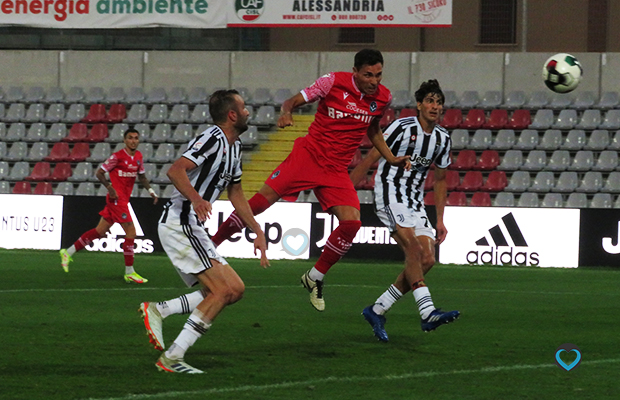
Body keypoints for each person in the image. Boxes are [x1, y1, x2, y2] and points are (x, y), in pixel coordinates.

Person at [210, 49, 411, 312]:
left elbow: (373, 129)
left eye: (379, 75)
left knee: (352, 223)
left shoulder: (383, 97)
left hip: (336, 170)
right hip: (308, 157)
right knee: (259, 203)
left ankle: (314, 277)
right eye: (368, 75)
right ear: (355, 72)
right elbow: (292, 101)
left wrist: (391, 157)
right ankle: (210, 245)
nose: (374, 81)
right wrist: (287, 112)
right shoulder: (332, 82)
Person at [140, 89, 269, 374]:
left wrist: (257, 230)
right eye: (244, 108)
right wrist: (197, 199)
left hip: (191, 224)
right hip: (180, 221)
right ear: (232, 115)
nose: (248, 112)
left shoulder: (234, 147)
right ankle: (172, 357)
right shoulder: (212, 138)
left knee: (235, 290)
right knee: (221, 290)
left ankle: (160, 310)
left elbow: (236, 192)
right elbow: (175, 171)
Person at [350, 79, 460, 342]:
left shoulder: (443, 138)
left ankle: (377, 309)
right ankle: (427, 312)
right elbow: (370, 157)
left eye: (439, 102)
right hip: (389, 193)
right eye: (430, 101)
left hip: (415, 201)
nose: (435, 106)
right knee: (412, 250)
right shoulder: (402, 127)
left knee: (427, 260)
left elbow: (441, 180)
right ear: (419, 105)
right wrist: (345, 192)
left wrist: (441, 219)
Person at [59, 128, 158, 284]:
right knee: (131, 232)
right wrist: (109, 187)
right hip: (117, 200)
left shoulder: (138, 157)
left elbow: (142, 176)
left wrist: (151, 191)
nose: (134, 141)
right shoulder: (117, 157)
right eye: (130, 138)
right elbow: (99, 173)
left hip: (123, 199)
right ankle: (129, 272)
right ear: (125, 140)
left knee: (100, 232)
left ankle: (68, 252)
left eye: (136, 138)